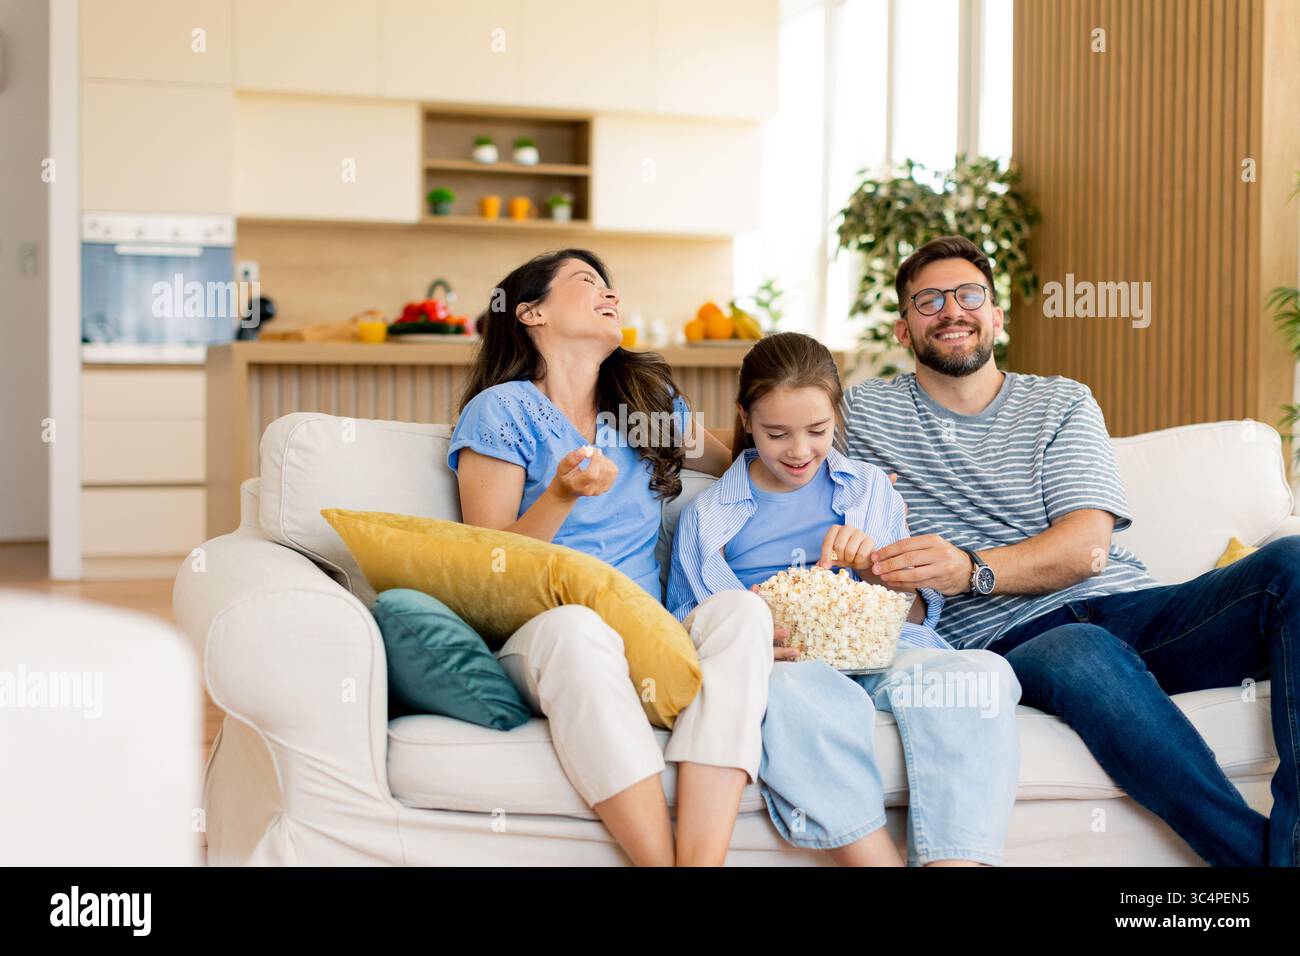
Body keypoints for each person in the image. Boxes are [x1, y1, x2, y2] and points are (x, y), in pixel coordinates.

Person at [843, 234, 1300, 866]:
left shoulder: (1059, 402)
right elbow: (766, 430)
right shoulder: (865, 412)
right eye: (929, 300)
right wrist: (668, 423)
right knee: (1081, 649)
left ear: (996, 315)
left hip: (1139, 612)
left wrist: (969, 569)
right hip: (1021, 642)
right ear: (902, 328)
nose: (952, 310)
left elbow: (1087, 547)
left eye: (969, 294)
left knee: (1293, 564)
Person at [446, 248, 776, 866]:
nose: (609, 294)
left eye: (610, 287)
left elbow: (739, 456)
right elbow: (490, 563)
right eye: (586, 282)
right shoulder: (503, 410)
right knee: (579, 630)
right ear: (531, 312)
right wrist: (562, 493)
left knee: (741, 616)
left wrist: (835, 458)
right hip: (543, 632)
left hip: (645, 631)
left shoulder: (641, 408)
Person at [668, 331, 1022, 865]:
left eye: (817, 430)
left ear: (837, 414)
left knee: (979, 676)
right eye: (776, 433)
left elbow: (919, 612)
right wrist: (749, 624)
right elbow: (684, 621)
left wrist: (875, 568)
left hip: (883, 649)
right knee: (800, 697)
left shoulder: (869, 488)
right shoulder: (708, 516)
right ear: (744, 419)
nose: (799, 451)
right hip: (785, 663)